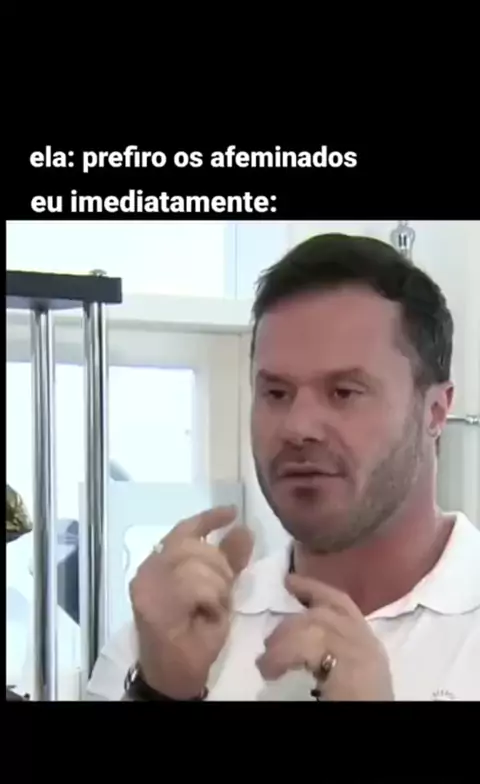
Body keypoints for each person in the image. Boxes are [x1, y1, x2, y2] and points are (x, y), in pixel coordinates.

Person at [87, 233, 480, 702]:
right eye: (276, 393)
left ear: (435, 411)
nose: (298, 427)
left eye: (344, 392)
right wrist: (161, 694)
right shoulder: (167, 638)